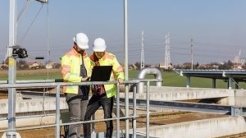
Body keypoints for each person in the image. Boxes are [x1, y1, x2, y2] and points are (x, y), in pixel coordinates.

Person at [83, 38, 124, 138]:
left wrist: (120, 77)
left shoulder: (111, 57)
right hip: (96, 94)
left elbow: (119, 69)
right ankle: (87, 136)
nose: (99, 54)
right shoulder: (90, 59)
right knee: (86, 116)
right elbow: (88, 71)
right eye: (97, 52)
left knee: (107, 118)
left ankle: (108, 137)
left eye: (101, 52)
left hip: (107, 94)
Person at [60, 33, 92, 138]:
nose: (83, 49)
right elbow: (66, 75)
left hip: (84, 90)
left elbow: (90, 69)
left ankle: (76, 136)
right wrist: (80, 79)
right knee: (75, 118)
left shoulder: (86, 57)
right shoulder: (67, 57)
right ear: (75, 44)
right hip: (73, 91)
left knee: (82, 117)